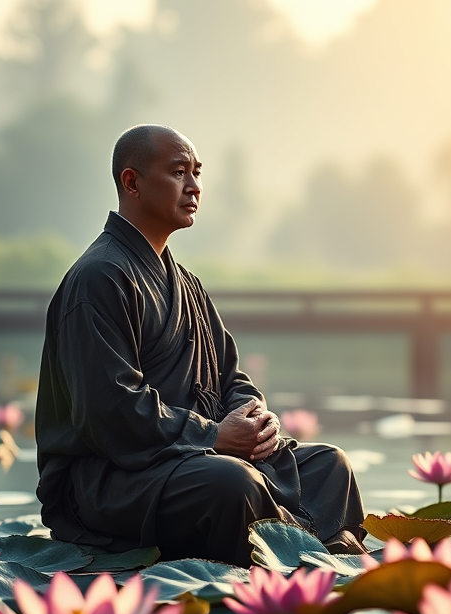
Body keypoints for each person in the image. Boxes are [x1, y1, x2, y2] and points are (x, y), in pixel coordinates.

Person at [35, 124, 366, 566]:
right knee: (232, 484)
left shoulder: (187, 284)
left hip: (193, 458)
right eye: (177, 173)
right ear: (132, 182)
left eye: (196, 173)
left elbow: (232, 376)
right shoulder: (98, 279)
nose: (193, 187)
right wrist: (213, 435)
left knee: (330, 466)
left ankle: (304, 548)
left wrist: (255, 419)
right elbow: (109, 411)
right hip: (114, 479)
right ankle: (317, 550)